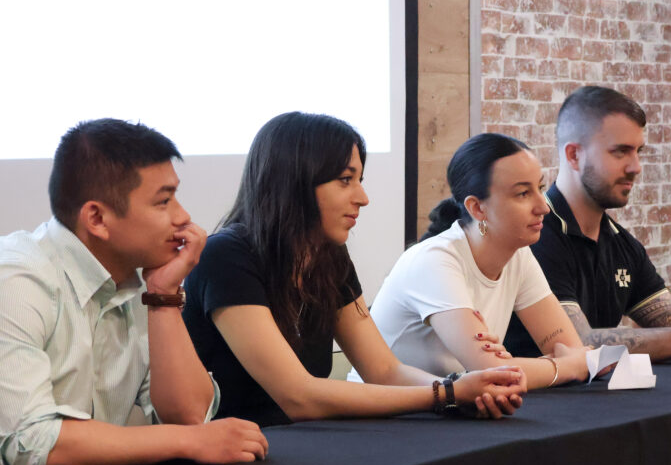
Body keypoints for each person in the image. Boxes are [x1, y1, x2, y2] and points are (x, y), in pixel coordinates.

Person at [0, 119, 268, 465]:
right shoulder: (9, 283)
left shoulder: (137, 285)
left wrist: (164, 297)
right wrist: (189, 443)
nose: (183, 217)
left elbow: (190, 417)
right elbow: (34, 442)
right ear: (97, 218)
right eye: (163, 201)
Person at [182, 112, 526, 427]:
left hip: (300, 445)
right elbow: (296, 397)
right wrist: (447, 395)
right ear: (295, 181)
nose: (363, 197)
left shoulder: (328, 256)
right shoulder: (226, 256)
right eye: (345, 180)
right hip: (231, 458)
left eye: (359, 179)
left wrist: (461, 391)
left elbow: (383, 370)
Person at [504, 86, 671, 361]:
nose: (636, 166)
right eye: (620, 152)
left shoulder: (622, 245)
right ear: (573, 155)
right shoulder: (535, 238)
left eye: (638, 151)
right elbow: (576, 344)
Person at [366, 133, 591, 388]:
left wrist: (564, 363)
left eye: (539, 188)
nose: (543, 207)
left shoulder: (519, 255)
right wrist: (566, 367)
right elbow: (493, 371)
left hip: (446, 410)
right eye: (522, 194)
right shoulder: (434, 260)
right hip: (383, 417)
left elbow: (567, 347)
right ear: (477, 208)